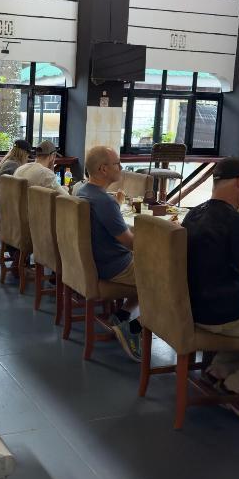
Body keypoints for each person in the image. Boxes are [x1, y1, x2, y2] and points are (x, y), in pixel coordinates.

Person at [181, 157, 239, 414]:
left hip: (191, 307)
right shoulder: (238, 223)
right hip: (222, 314)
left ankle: (217, 370)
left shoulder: (193, 214)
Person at [75, 145, 142, 361]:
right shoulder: (104, 201)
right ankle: (134, 327)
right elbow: (130, 243)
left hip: (98, 261)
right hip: (114, 266)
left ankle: (121, 315)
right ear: (103, 169)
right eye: (117, 164)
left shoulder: (83, 191)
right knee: (167, 277)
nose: (121, 168)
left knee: (153, 268)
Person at [0, 139, 33, 213]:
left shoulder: (5, 162)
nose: (27, 159)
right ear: (24, 153)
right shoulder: (14, 166)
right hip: (6, 208)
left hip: (0, 204)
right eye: (28, 156)